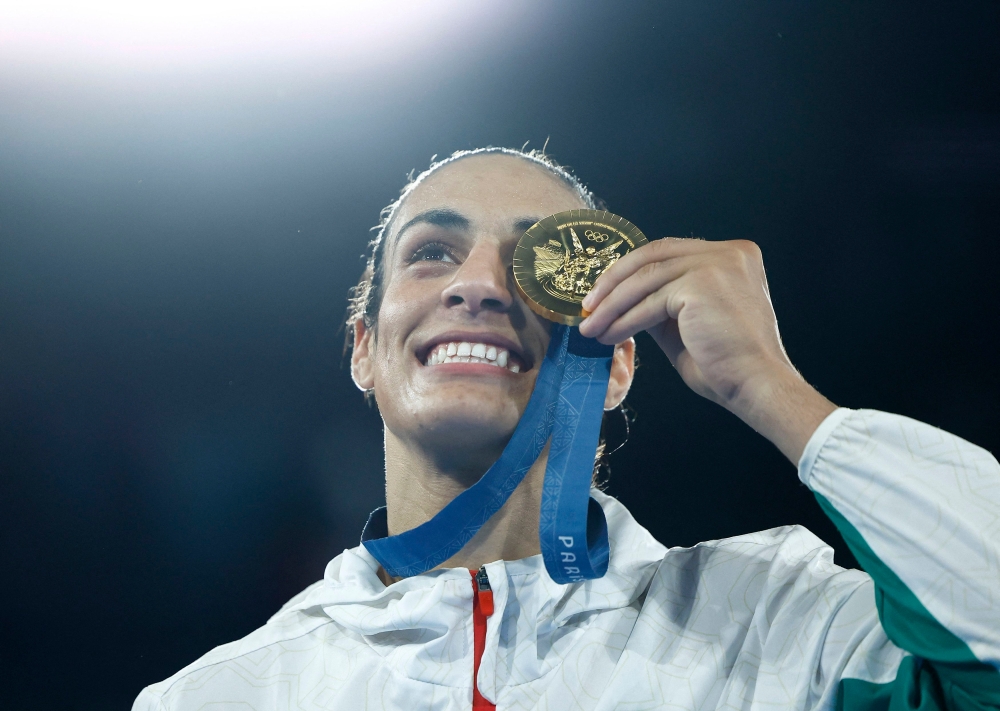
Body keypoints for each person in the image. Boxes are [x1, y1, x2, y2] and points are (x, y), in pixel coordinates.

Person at [133, 147, 1000, 711]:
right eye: (432, 251)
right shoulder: (221, 696)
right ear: (364, 347)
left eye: (532, 262)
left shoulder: (777, 626)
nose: (478, 286)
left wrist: (775, 390)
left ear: (619, 361)